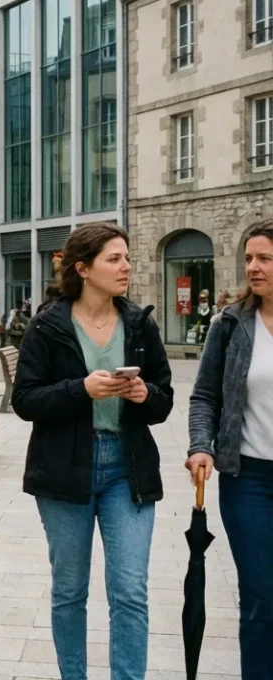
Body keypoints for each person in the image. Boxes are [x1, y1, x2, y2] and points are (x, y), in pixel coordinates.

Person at [11, 222, 173, 680]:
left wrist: (144, 395)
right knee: (69, 591)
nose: (126, 267)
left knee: (129, 592)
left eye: (126, 257)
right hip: (64, 471)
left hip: (129, 468)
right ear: (84, 269)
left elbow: (163, 400)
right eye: (114, 259)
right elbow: (25, 400)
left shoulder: (140, 323)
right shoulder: (49, 325)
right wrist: (81, 389)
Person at [188, 220, 273, 677]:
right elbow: (205, 395)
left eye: (265, 259)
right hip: (250, 479)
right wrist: (201, 445)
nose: (253, 267)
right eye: (249, 258)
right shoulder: (232, 323)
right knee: (261, 594)